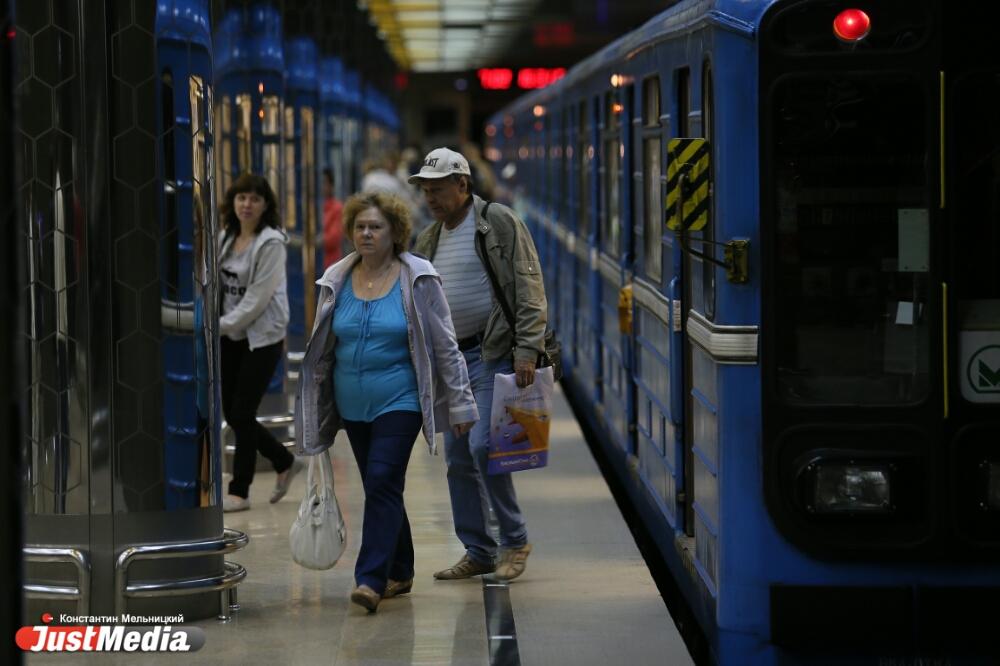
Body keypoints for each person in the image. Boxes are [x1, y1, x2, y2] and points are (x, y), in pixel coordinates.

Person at [294, 190, 478, 613]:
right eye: (359, 227)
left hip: (401, 398)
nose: (366, 234)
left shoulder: (418, 277)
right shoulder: (336, 279)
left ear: (395, 232)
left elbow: (445, 345)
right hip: (352, 404)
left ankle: (370, 578)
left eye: (376, 227)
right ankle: (402, 568)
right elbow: (323, 345)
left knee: (381, 478)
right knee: (383, 486)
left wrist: (462, 402)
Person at [410, 147, 548, 582]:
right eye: (425, 190)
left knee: (484, 446)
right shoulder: (429, 239)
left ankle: (515, 537)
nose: (430, 197)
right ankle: (479, 549)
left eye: (438, 188)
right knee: (456, 459)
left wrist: (527, 348)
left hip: (493, 353)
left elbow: (528, 285)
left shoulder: (499, 222)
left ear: (462, 185)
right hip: (452, 361)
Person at [218, 174, 304, 512]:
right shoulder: (226, 237)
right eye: (241, 198)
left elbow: (256, 299)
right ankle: (284, 460)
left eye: (254, 199)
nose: (247, 205)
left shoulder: (271, 243)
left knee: (242, 412)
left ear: (265, 204)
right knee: (233, 413)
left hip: (262, 336)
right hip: (230, 334)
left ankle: (239, 491)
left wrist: (216, 326)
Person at [321, 168, 345, 269]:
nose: (321, 187)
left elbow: (333, 240)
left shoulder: (337, 208)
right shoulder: (310, 208)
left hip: (330, 266)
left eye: (324, 183)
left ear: (331, 186)